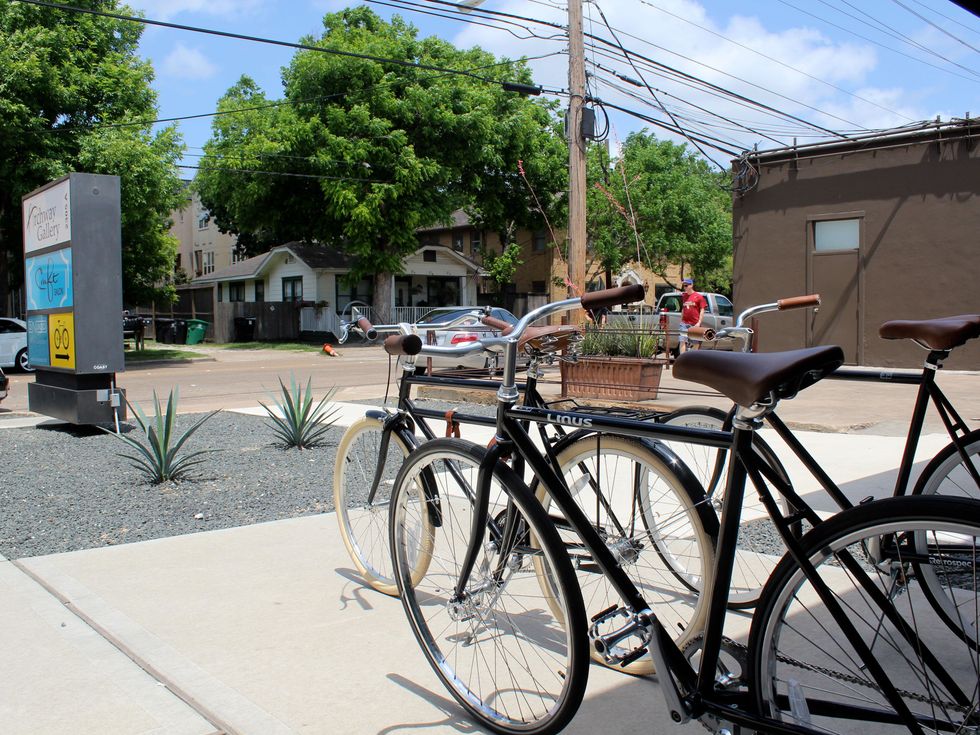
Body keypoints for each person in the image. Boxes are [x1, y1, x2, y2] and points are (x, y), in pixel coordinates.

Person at [678, 278, 707, 354]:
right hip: (684, 323)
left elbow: (702, 310)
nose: (685, 287)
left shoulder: (699, 297)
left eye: (686, 285)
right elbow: (683, 308)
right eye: (684, 286)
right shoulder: (684, 296)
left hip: (694, 324)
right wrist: (681, 320)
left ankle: (690, 357)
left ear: (691, 285)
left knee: (696, 343)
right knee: (682, 340)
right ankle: (683, 358)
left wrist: (699, 322)